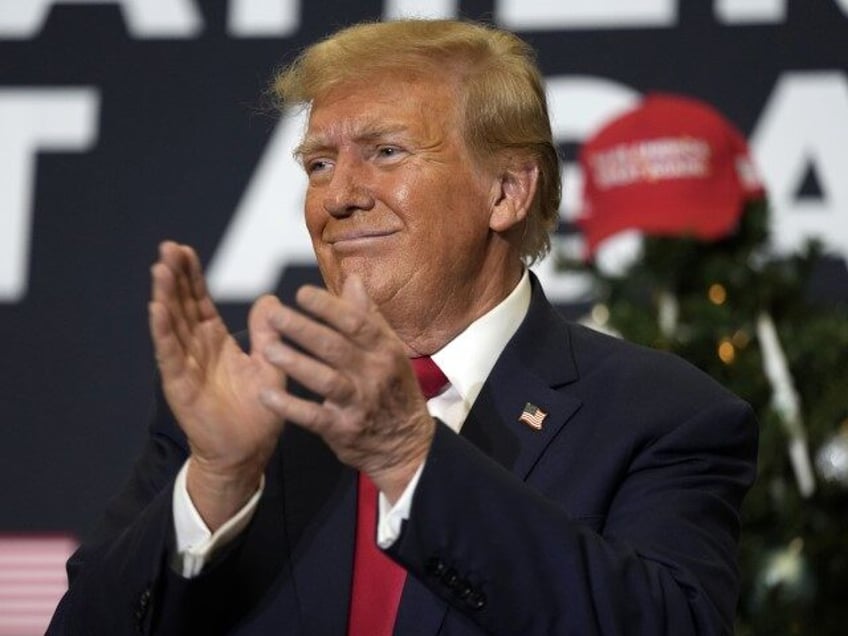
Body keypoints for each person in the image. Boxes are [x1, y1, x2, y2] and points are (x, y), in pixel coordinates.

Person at [48, 18, 757, 635]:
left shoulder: (663, 416)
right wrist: (216, 482)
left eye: (386, 153)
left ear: (508, 191)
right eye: (319, 164)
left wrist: (410, 459)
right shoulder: (251, 398)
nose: (339, 197)